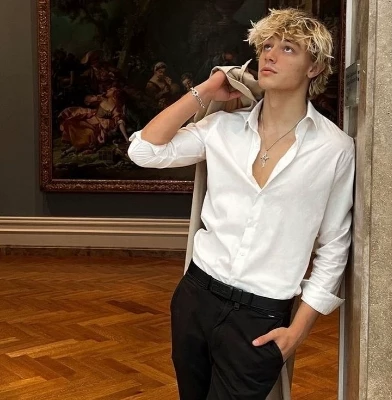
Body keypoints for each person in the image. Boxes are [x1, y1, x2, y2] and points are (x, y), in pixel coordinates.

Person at [128, 8, 354, 400]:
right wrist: (206, 90)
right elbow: (145, 151)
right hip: (196, 297)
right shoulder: (222, 128)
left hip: (260, 315)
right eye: (266, 46)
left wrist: (298, 331)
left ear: (314, 67)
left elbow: (334, 245)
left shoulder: (334, 149)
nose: (270, 55)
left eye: (288, 48)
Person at [60, 86, 128, 156]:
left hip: (100, 124)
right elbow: (88, 100)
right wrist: (94, 98)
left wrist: (126, 138)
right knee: (71, 121)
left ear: (115, 94)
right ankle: (71, 145)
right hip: (92, 117)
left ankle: (71, 149)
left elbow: (120, 122)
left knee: (89, 134)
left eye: (111, 90)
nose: (108, 90)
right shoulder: (102, 98)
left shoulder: (115, 108)